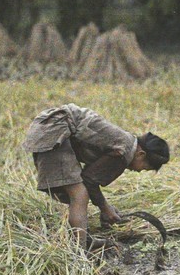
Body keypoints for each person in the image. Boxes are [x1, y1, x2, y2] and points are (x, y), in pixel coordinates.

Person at [22, 103, 169, 249]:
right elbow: (89, 180)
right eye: (145, 167)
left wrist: (105, 207)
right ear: (141, 154)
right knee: (79, 195)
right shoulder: (124, 151)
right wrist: (105, 208)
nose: (140, 171)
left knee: (76, 194)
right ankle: (79, 252)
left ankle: (83, 240)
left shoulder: (125, 143)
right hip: (55, 131)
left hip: (50, 127)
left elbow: (88, 176)